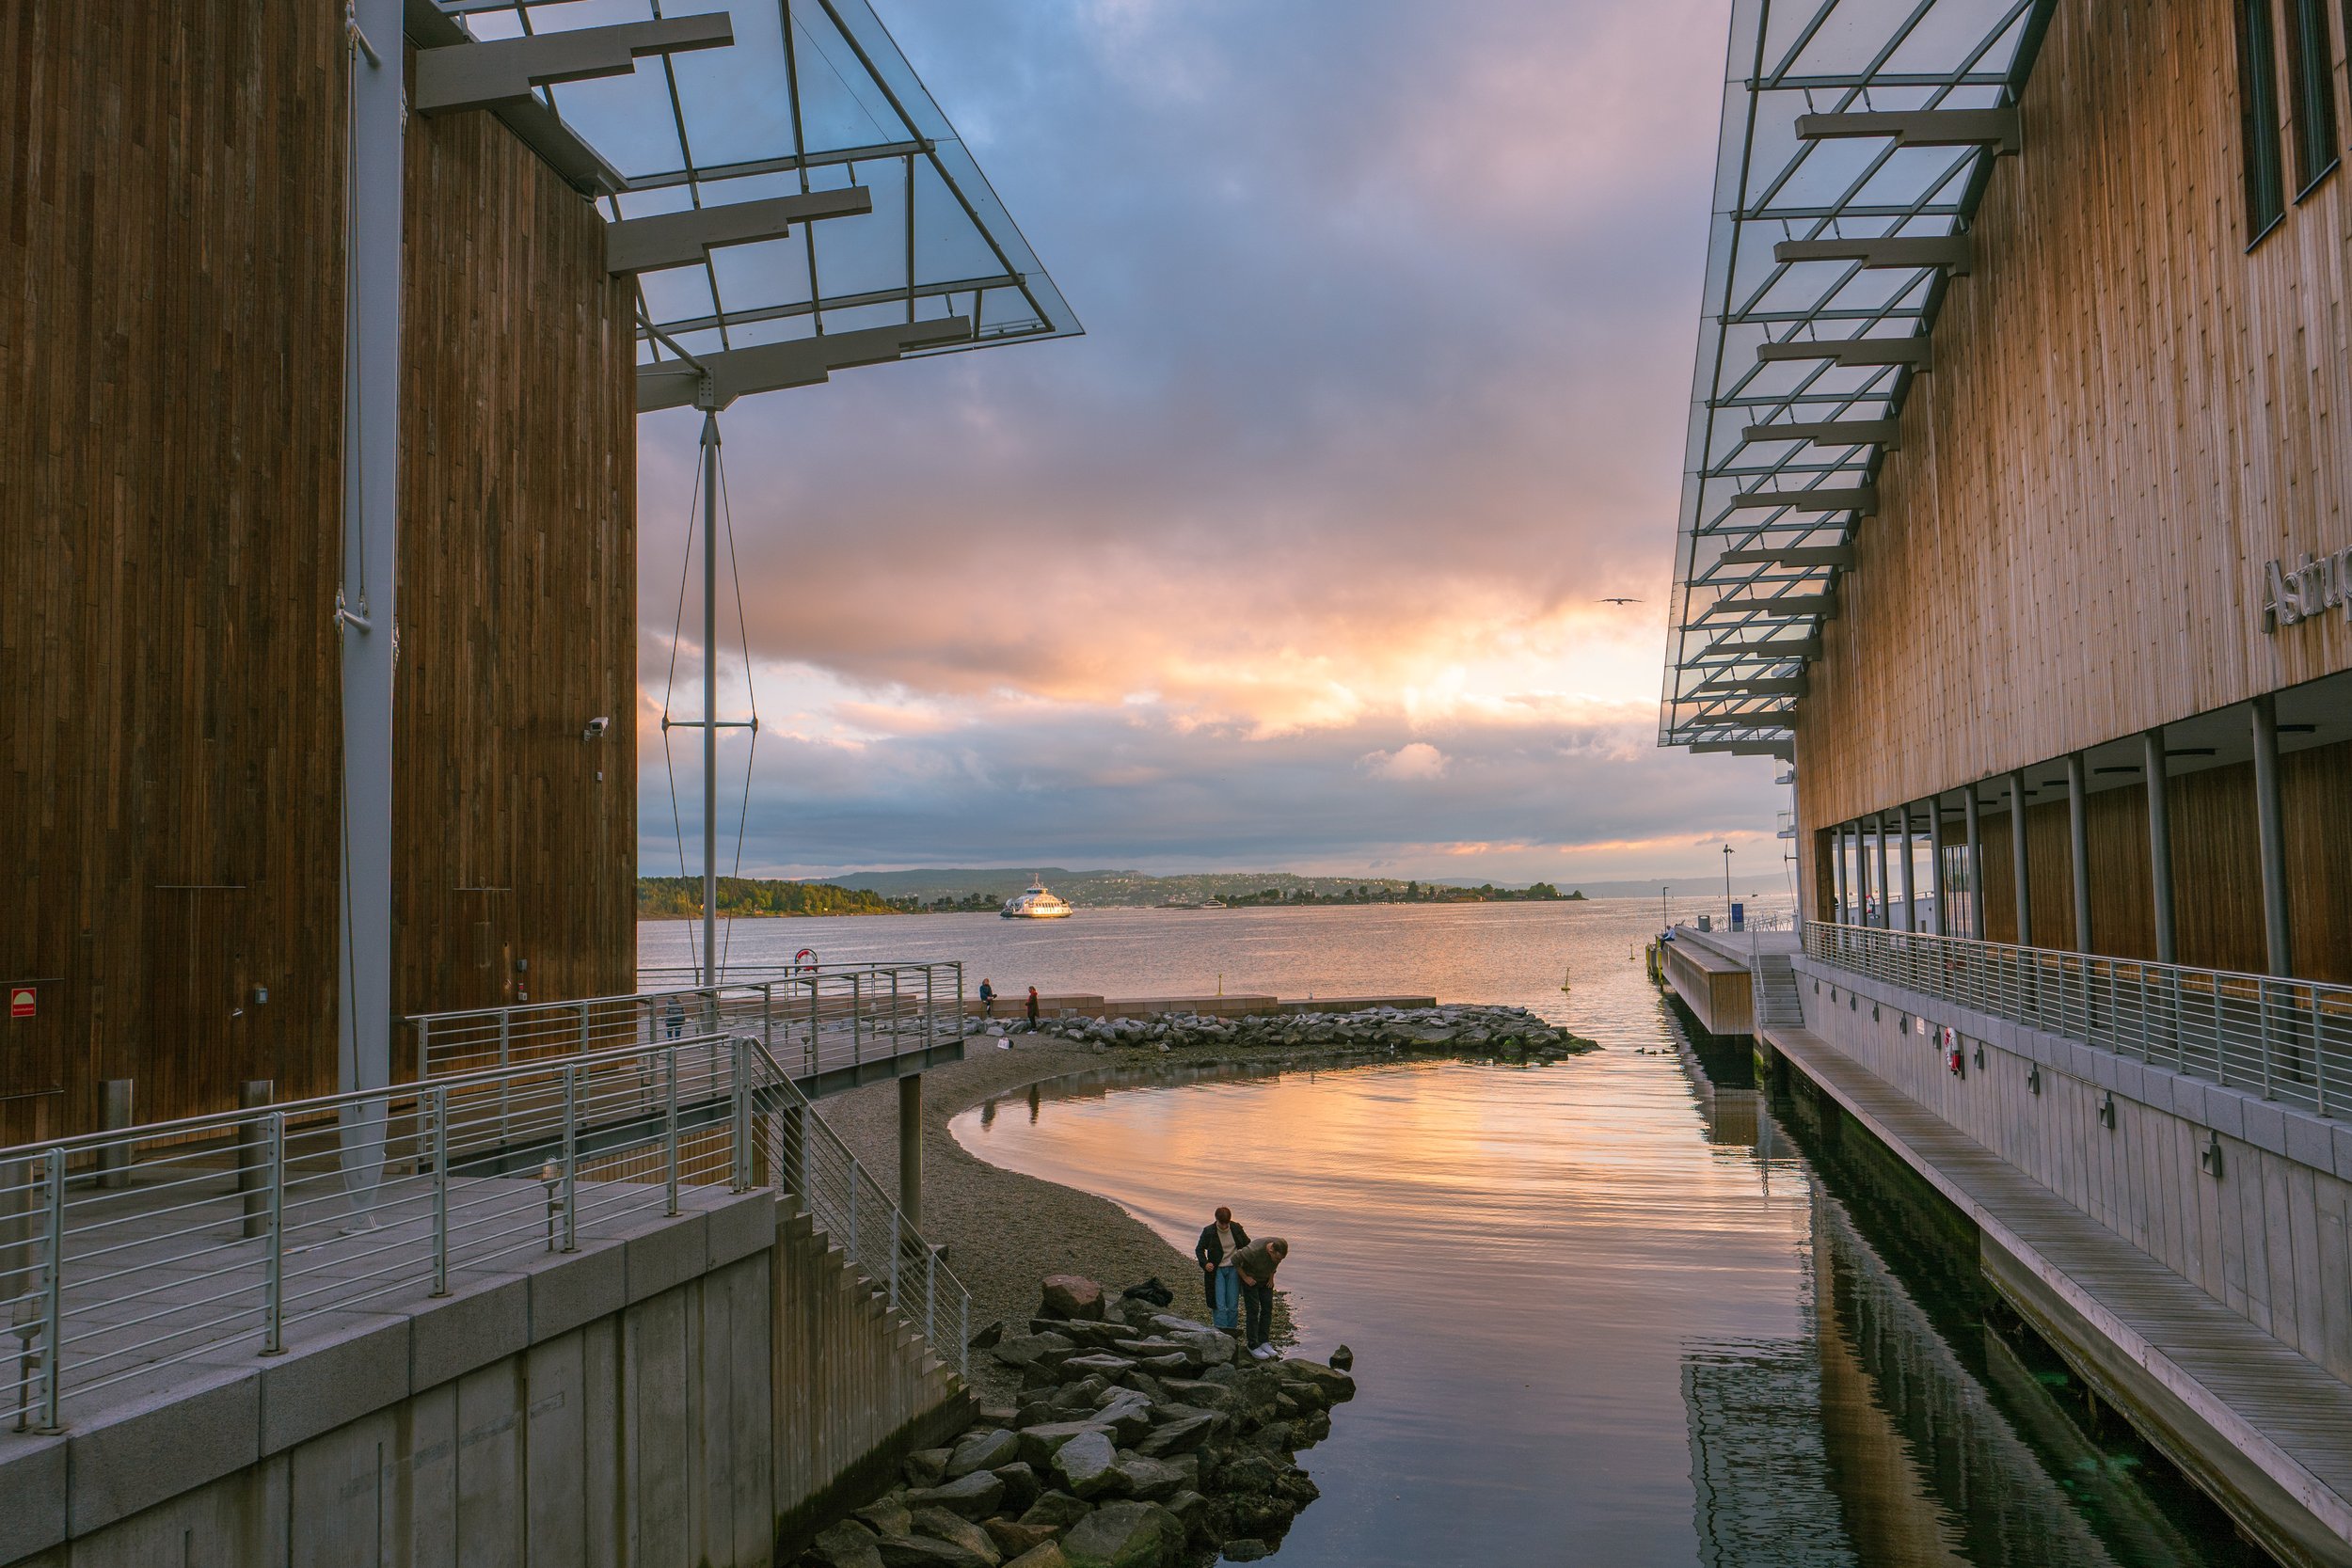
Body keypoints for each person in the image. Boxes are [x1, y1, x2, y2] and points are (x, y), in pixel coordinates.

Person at [1232, 1236, 1288, 1358]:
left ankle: (1264, 1341)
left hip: (1266, 1280)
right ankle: (1252, 1345)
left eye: (1281, 1259)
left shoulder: (1280, 1244)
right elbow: (1234, 1260)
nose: (1279, 1261)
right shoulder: (1252, 1251)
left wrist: (1271, 1277)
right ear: (1271, 1250)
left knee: (1267, 1308)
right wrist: (1245, 1278)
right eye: (1277, 1258)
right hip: (1251, 1280)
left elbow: (1275, 1263)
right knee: (1253, 1310)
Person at [1194, 1206, 1248, 1333]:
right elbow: (1199, 1249)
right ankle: (1220, 1333)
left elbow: (1248, 1245)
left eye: (1226, 1223)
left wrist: (1242, 1258)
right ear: (1216, 1219)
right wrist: (1205, 1263)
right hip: (1217, 1270)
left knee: (1233, 1305)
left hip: (1234, 1268)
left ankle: (1231, 1332)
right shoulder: (1209, 1231)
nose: (1224, 1226)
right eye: (1221, 1223)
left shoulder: (1236, 1228)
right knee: (1220, 1304)